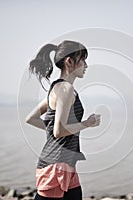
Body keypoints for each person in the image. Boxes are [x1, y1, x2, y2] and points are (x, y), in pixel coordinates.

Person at [25, 40, 101, 200]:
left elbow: (31, 119)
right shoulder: (65, 89)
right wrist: (86, 124)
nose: (86, 65)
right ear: (69, 61)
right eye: (83, 59)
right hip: (55, 167)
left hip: (66, 165)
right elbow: (58, 131)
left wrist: (53, 129)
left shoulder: (58, 89)